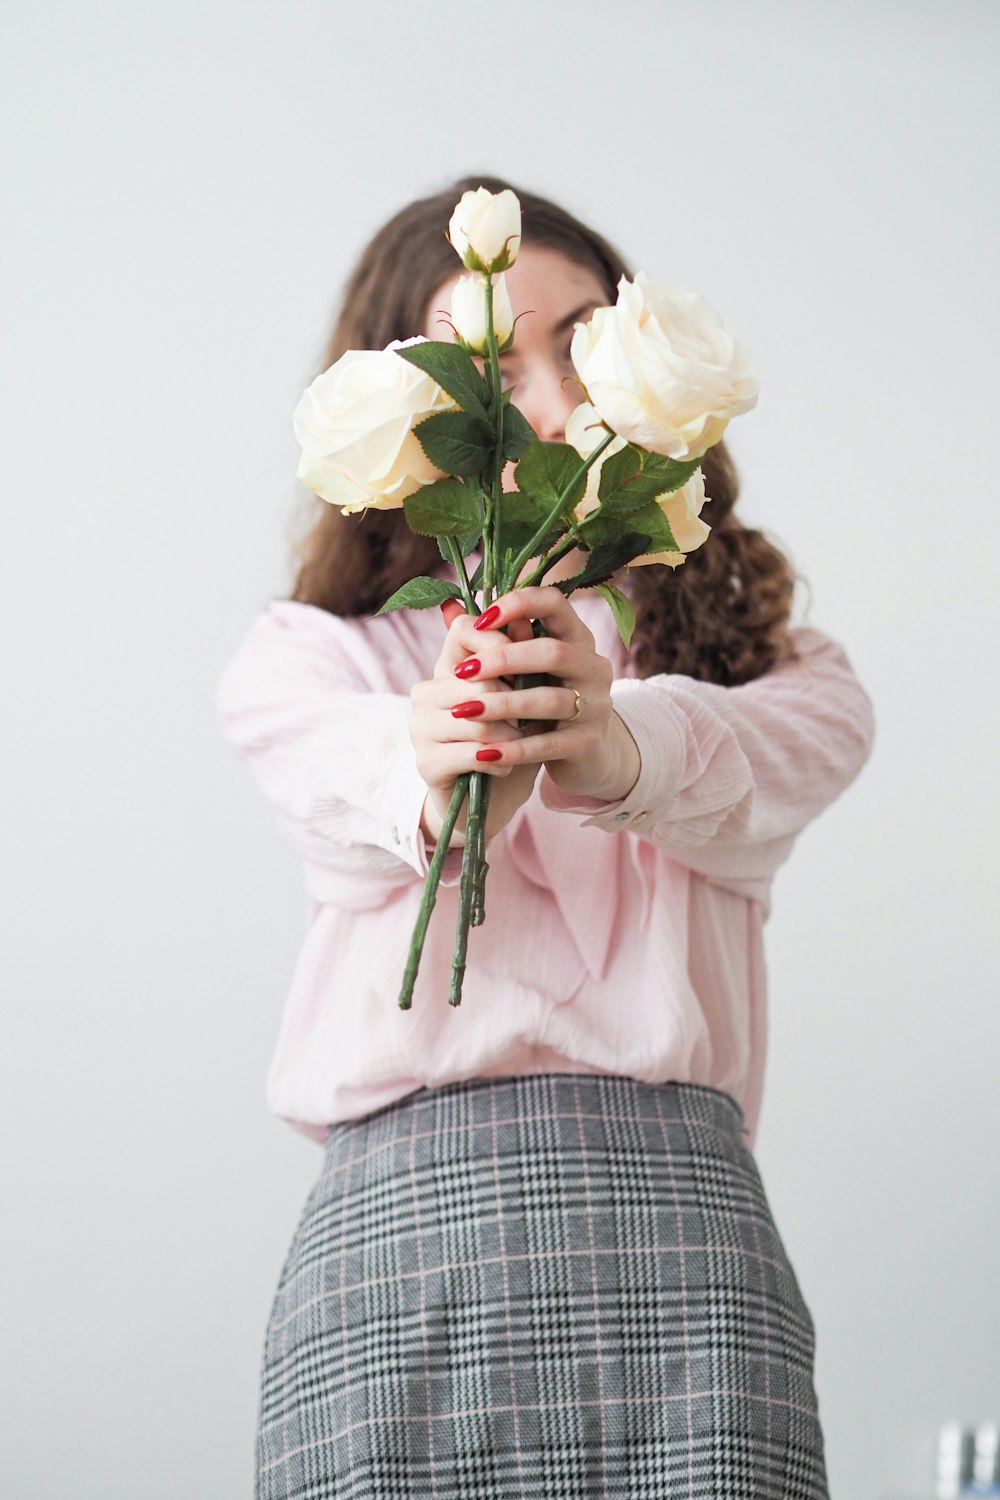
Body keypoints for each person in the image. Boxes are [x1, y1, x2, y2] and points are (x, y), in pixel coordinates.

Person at [216, 175, 874, 1499]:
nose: (561, 401)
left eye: (580, 342)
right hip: (396, 1254)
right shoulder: (309, 664)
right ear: (409, 422)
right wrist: (442, 755)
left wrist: (610, 744)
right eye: (489, 368)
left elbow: (773, 756)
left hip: (683, 1244)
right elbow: (351, 801)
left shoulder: (767, 662)